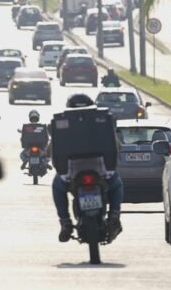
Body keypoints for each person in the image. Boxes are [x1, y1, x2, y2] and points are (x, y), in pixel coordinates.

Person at [51, 93, 123, 243]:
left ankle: (65, 222)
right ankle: (114, 216)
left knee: (57, 187)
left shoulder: (65, 124)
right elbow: (117, 146)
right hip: (101, 169)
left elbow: (52, 149)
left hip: (71, 171)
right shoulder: (101, 123)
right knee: (116, 185)